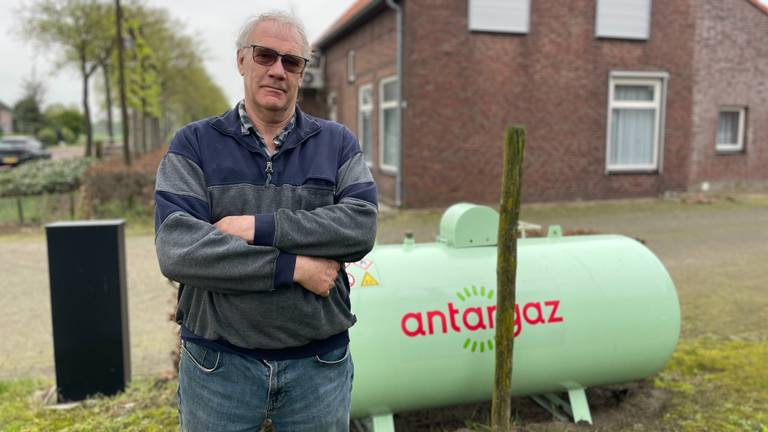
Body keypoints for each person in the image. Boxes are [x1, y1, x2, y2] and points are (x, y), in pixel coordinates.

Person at [153, 11, 378, 432]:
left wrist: (259, 227)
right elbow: (178, 249)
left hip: (318, 366)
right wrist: (295, 268)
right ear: (242, 61)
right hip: (218, 367)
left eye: (291, 61)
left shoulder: (337, 143)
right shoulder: (194, 144)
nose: (278, 70)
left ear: (302, 72)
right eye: (265, 56)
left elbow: (360, 227)